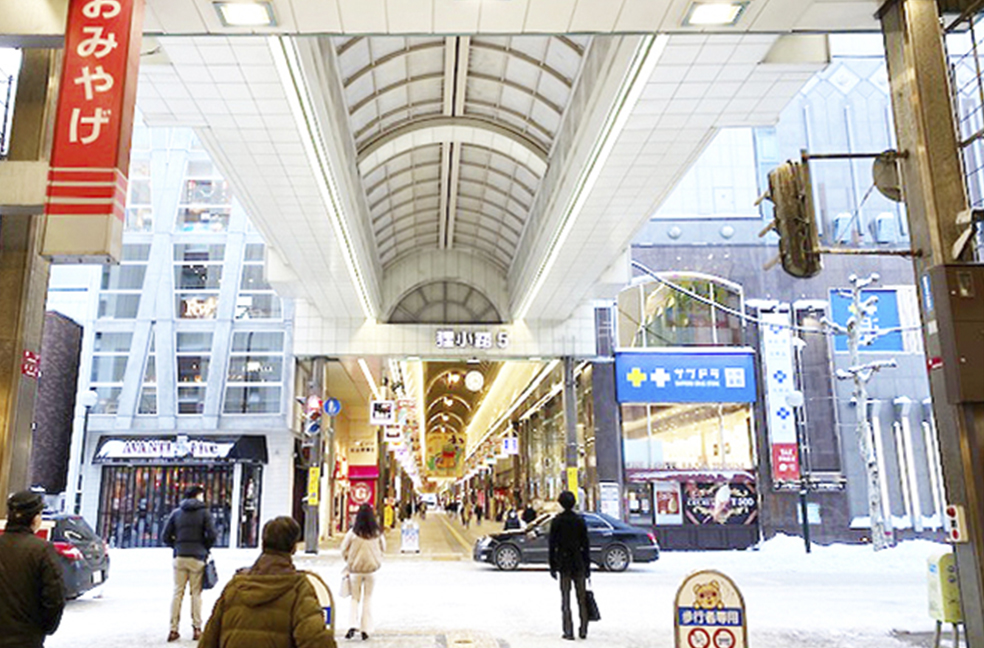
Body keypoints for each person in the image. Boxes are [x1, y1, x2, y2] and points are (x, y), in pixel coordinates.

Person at [198, 516, 336, 648]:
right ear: (293, 548)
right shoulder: (298, 589)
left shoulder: (235, 587)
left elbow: (209, 639)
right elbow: (316, 640)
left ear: (263, 544)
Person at [0, 490, 65, 648]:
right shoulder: (42, 550)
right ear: (35, 518)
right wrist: (45, 627)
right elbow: (54, 597)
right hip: (26, 639)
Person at [161, 484, 217, 642]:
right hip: (197, 558)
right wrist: (204, 547)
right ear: (198, 496)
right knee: (196, 594)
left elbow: (165, 536)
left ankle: (173, 629)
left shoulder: (176, 513)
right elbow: (212, 534)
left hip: (180, 557)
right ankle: (197, 629)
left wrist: (177, 545)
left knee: (177, 593)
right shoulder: (204, 513)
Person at [548, 491, 591, 640]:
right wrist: (587, 567)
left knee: (565, 599)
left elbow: (552, 545)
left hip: (563, 564)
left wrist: (553, 566)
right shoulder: (579, 521)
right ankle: (583, 629)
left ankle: (568, 631)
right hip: (578, 563)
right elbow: (586, 545)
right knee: (581, 597)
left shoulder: (557, 521)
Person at [341, 504, 385, 641]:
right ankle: (366, 629)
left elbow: (343, 549)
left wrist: (349, 560)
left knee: (355, 598)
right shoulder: (377, 533)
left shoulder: (352, 533)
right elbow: (383, 547)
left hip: (355, 571)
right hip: (371, 571)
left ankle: (351, 625)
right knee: (367, 598)